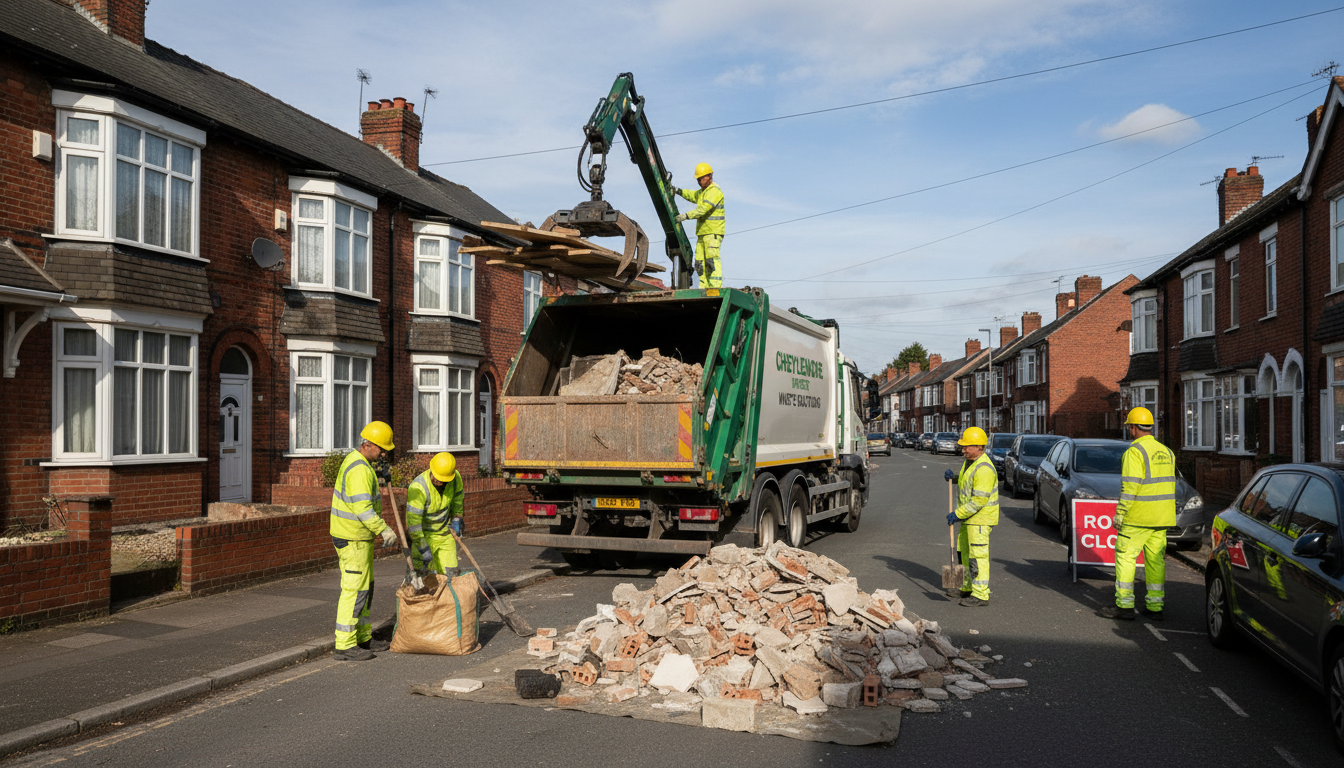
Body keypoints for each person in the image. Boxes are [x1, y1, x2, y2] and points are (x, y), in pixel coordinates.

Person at [1098, 407, 1176, 621]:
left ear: (1133, 427)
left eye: (1129, 426)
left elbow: (1130, 487)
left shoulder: (1134, 452)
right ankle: (1155, 606)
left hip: (1138, 517)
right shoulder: (1167, 452)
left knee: (1125, 557)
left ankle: (1124, 606)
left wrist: (1120, 514)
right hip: (1161, 518)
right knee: (1155, 561)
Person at [329, 421, 398, 661]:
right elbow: (363, 509)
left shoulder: (362, 464)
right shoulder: (359, 468)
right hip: (352, 538)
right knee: (354, 590)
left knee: (364, 590)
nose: (384, 453)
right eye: (381, 448)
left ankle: (362, 638)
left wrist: (379, 475)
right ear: (367, 445)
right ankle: (345, 645)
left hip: (358, 537)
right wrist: (385, 530)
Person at [944, 426, 999, 607]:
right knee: (964, 553)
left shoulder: (984, 468)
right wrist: (956, 477)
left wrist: (957, 514)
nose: (964, 449)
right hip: (969, 519)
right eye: (963, 446)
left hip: (980, 520)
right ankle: (967, 587)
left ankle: (981, 594)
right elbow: (969, 480)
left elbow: (978, 501)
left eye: (967, 446)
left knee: (978, 557)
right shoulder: (971, 462)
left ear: (978, 446)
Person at [406, 452, 466, 581]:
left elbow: (457, 499)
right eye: (436, 476)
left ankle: (449, 600)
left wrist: (457, 517)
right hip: (423, 537)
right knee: (424, 582)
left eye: (443, 479)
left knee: (451, 575)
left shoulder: (455, 479)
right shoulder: (418, 487)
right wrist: (423, 549)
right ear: (431, 469)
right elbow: (414, 524)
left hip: (444, 535)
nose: (438, 480)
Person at [672, 162, 726, 288]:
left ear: (709, 177)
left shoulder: (714, 192)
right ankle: (704, 288)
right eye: (697, 179)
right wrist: (678, 191)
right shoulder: (703, 192)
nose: (698, 181)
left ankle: (715, 288)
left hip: (712, 233)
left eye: (700, 179)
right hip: (702, 234)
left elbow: (702, 210)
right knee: (700, 264)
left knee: (711, 261)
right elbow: (691, 195)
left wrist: (685, 216)